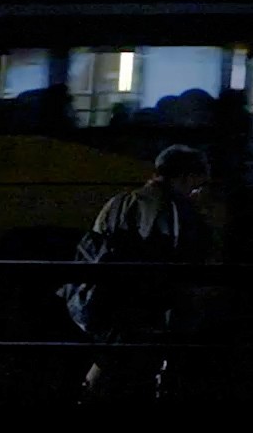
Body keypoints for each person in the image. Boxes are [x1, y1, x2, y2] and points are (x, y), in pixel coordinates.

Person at [67, 145, 212, 397]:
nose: (196, 194)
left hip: (106, 303)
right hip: (144, 312)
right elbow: (182, 263)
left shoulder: (119, 201)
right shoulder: (175, 209)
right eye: (196, 187)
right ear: (185, 177)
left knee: (108, 364)